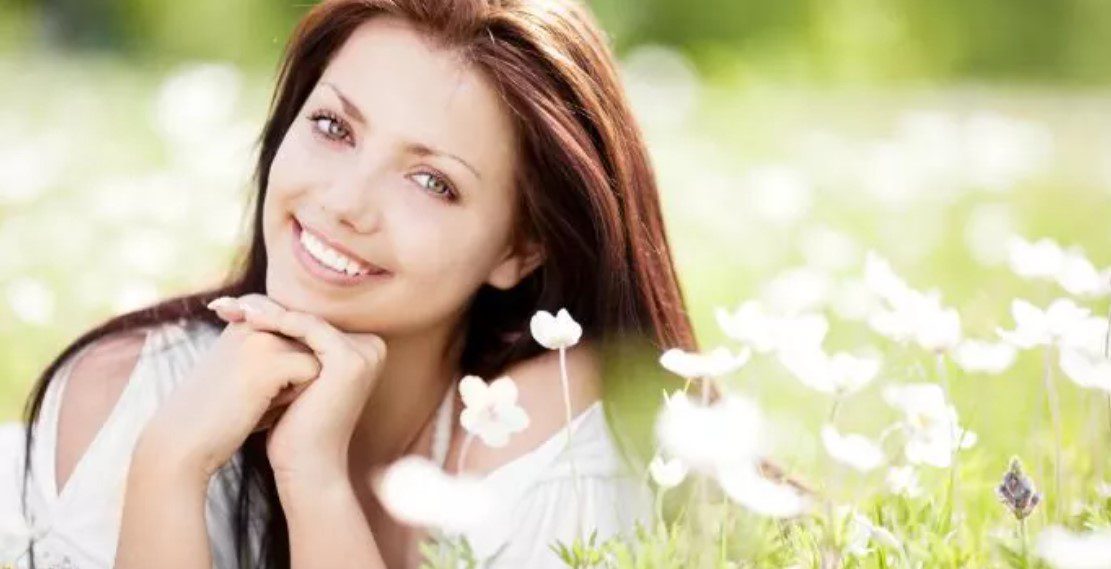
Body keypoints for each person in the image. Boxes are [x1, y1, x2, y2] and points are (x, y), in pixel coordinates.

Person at [2, 0, 699, 567]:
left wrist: (315, 478)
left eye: (432, 181)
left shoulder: (545, 434)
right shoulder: (123, 392)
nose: (344, 202)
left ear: (519, 250)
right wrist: (169, 465)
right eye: (333, 127)